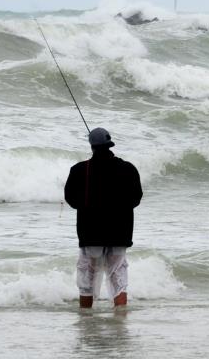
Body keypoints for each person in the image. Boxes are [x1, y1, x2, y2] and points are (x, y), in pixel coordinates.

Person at [64, 127, 143, 309]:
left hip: (90, 232)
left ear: (92, 146)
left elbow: (71, 199)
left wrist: (88, 207)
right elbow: (136, 198)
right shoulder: (128, 169)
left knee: (87, 277)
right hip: (120, 232)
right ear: (109, 144)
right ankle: (120, 316)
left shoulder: (79, 170)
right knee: (118, 275)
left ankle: (86, 317)